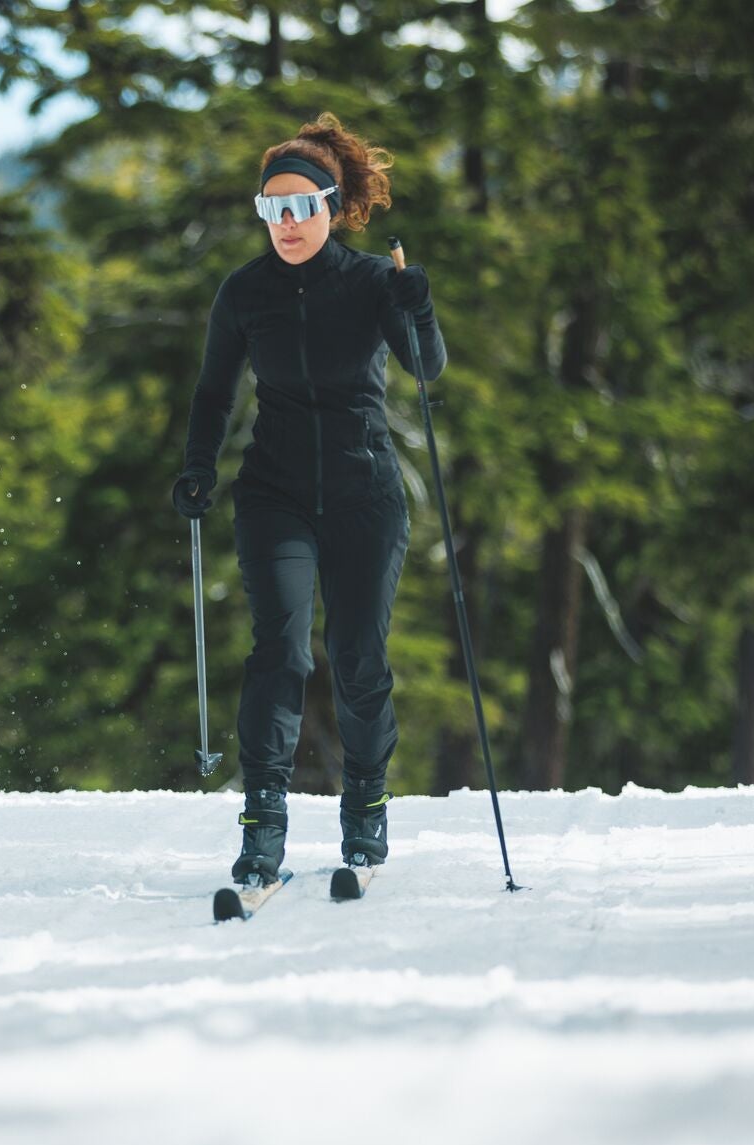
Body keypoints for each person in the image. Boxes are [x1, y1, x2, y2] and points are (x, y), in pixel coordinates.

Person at [172, 113, 446, 887]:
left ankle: (365, 810)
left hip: (365, 494)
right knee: (281, 651)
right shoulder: (245, 292)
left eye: (299, 207)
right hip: (275, 494)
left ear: (331, 206)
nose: (285, 224)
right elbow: (214, 391)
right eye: (272, 208)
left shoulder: (372, 281)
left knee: (359, 657)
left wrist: (418, 306)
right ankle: (263, 824)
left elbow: (426, 366)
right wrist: (198, 466)